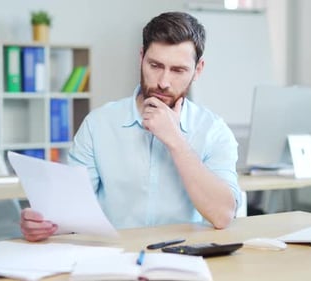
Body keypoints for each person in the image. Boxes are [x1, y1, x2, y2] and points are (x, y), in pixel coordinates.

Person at [20, 11, 242, 242]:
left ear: (198, 70)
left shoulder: (214, 130)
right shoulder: (98, 125)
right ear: (141, 57)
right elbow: (71, 213)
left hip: (187, 258)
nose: (163, 82)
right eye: (155, 65)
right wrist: (44, 223)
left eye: (178, 70)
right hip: (115, 257)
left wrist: (175, 141)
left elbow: (223, 216)